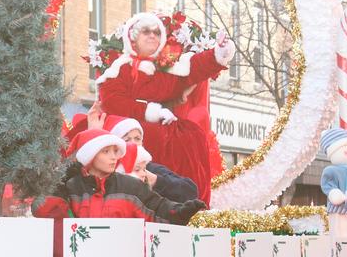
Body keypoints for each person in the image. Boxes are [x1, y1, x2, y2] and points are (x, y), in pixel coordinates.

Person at [95, 12, 235, 204]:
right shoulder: (122, 68)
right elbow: (113, 101)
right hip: (131, 128)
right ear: (133, 39)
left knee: (192, 135)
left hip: (166, 125)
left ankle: (190, 202)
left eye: (156, 32)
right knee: (156, 136)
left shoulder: (167, 65)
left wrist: (218, 53)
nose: (152, 36)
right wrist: (151, 112)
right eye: (146, 32)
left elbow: (193, 67)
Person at [33, 128, 205, 225]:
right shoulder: (70, 187)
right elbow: (49, 217)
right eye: (106, 151)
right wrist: (58, 184)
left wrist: (181, 212)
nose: (113, 157)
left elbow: (158, 209)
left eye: (115, 151)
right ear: (89, 156)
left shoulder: (131, 187)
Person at [63, 101, 199, 203]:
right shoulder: (104, 169)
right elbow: (71, 175)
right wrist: (94, 135)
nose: (133, 143)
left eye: (137, 138)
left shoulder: (149, 168)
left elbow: (190, 190)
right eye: (127, 139)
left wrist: (156, 181)